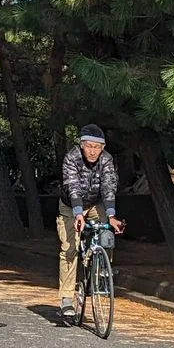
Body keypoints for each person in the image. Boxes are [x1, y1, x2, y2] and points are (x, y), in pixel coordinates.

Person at [58, 125, 122, 322]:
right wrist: (78, 214)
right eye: (89, 146)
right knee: (69, 249)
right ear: (82, 145)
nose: (93, 151)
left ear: (102, 148)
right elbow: (73, 187)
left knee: (106, 232)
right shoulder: (72, 158)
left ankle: (102, 273)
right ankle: (67, 299)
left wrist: (111, 215)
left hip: (95, 203)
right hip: (71, 205)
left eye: (97, 147)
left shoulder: (107, 160)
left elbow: (109, 186)